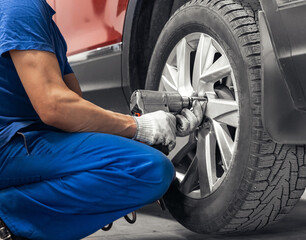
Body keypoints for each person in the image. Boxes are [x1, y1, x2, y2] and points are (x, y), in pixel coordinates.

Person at [0, 0, 204, 239]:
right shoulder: (20, 6)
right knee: (149, 169)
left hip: (20, 140)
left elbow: (72, 107)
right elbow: (55, 106)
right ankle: (6, 217)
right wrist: (139, 127)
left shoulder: (42, 20)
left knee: (138, 158)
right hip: (8, 145)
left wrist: (148, 126)